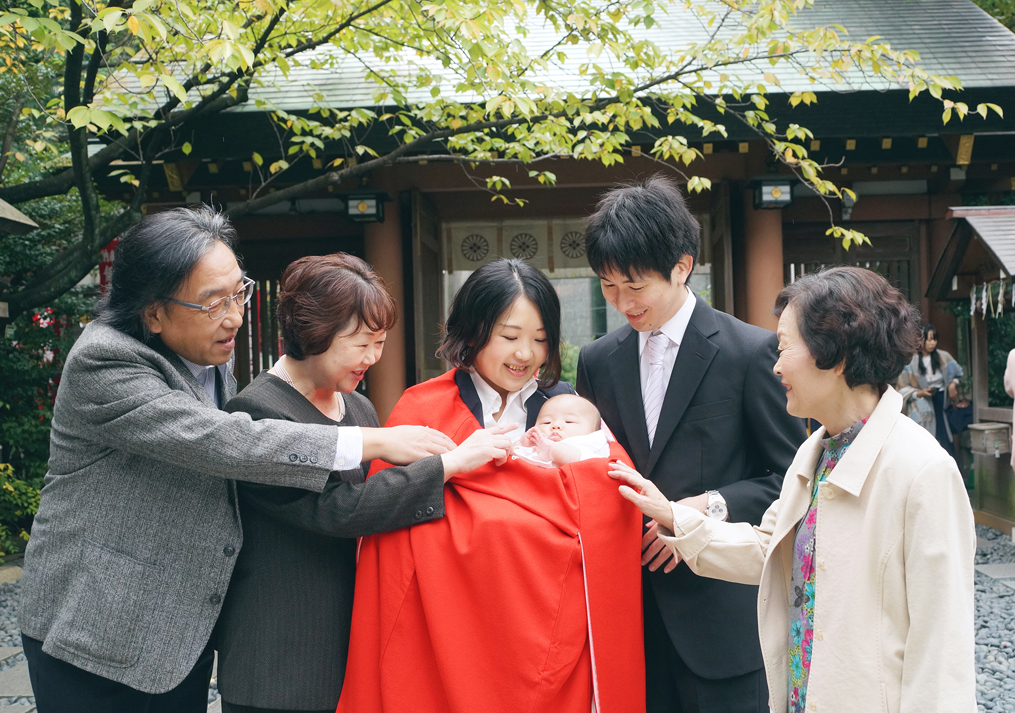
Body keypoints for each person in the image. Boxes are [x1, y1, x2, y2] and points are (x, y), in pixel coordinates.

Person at [17, 207, 454, 713]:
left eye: (237, 293)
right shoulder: (105, 360)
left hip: (178, 631)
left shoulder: (206, 356)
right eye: (212, 303)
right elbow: (221, 441)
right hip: (98, 626)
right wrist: (372, 442)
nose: (234, 316)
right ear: (152, 312)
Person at [611, 266, 977, 713]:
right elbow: (771, 550)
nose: (776, 364)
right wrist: (673, 515)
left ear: (835, 354)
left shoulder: (922, 470)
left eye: (785, 347)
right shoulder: (815, 451)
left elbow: (942, 652)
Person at [337, 258, 646, 713]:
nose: (525, 354)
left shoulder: (569, 412)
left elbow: (614, 498)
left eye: (540, 340)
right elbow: (383, 521)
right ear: (473, 330)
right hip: (439, 636)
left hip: (547, 637)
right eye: (509, 336)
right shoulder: (422, 406)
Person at [215, 254, 511, 713]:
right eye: (363, 344)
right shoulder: (257, 411)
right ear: (315, 333)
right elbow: (335, 511)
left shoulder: (359, 409)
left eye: (381, 343)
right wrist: (447, 466)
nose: (374, 358)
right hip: (279, 661)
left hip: (346, 650)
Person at [575, 174, 807, 713]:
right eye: (608, 286)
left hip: (723, 621)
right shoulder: (597, 361)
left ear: (682, 266)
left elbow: (787, 480)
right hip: (627, 617)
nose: (622, 303)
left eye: (635, 286)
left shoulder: (748, 352)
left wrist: (702, 509)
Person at [900, 323, 962, 457]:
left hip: (941, 402)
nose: (932, 343)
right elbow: (902, 386)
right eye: (929, 339)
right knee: (925, 439)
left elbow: (958, 372)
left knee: (944, 438)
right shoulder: (911, 361)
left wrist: (952, 384)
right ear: (920, 340)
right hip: (922, 405)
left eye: (934, 339)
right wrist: (919, 393)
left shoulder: (943, 356)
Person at [512, 393, 609, 467]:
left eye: (569, 421)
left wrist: (552, 449)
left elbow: (591, 464)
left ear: (593, 431)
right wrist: (519, 445)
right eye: (546, 422)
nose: (555, 425)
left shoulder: (591, 444)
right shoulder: (535, 447)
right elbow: (510, 461)